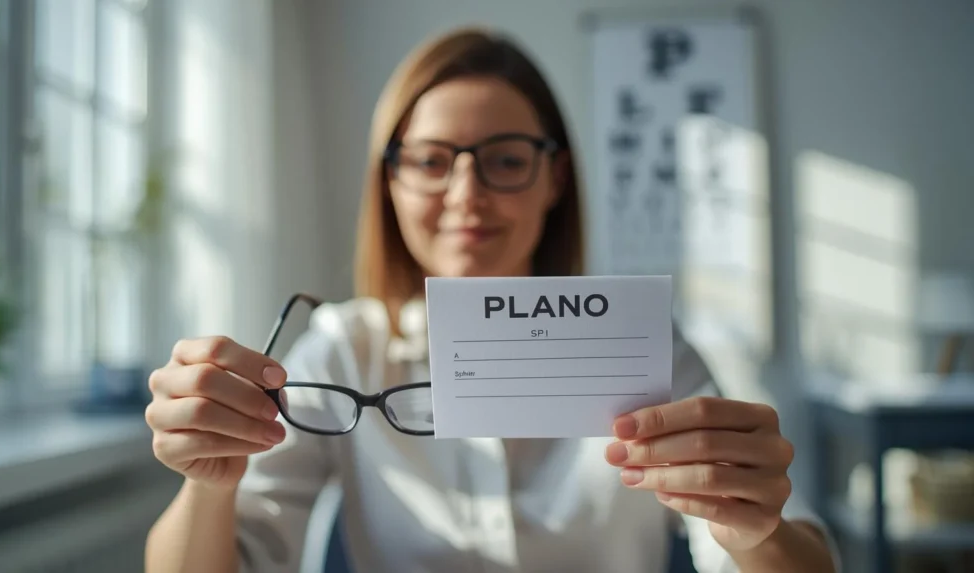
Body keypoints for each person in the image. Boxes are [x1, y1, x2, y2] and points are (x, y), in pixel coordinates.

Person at [144, 26, 838, 573]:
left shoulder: (643, 347)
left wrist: (754, 530)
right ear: (389, 182)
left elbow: (796, 560)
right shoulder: (344, 349)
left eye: (505, 159)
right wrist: (210, 482)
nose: (467, 194)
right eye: (430, 160)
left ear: (555, 178)